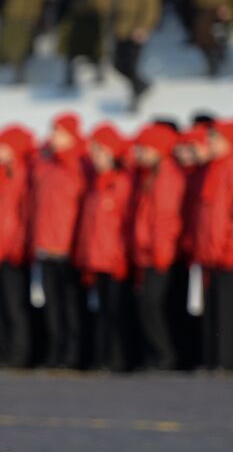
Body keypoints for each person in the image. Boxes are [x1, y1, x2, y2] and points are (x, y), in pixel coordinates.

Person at [191, 122, 233, 370]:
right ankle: (213, 357)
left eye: (215, 139)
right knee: (212, 306)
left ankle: (229, 359)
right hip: (209, 250)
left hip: (227, 250)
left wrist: (232, 246)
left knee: (228, 309)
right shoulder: (211, 169)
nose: (210, 144)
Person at [75, 125, 134, 371]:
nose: (96, 156)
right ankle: (104, 357)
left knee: (116, 312)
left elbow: (126, 225)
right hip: (97, 260)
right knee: (102, 312)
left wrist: (122, 258)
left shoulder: (121, 184)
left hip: (114, 261)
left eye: (100, 150)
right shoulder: (95, 185)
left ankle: (119, 358)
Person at [32, 115, 87, 369]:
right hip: (46, 246)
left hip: (67, 248)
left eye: (59, 132)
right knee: (52, 306)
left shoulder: (78, 165)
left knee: (70, 306)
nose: (53, 137)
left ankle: (74, 353)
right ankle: (55, 351)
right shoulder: (47, 165)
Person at [132, 124, 185, 369]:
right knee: (148, 304)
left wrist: (160, 252)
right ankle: (158, 354)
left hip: (159, 253)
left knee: (152, 304)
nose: (139, 154)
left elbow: (165, 218)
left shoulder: (167, 177)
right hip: (149, 252)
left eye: (144, 149)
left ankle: (165, 354)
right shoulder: (152, 175)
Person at [0, 127, 33, 367]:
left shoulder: (21, 175)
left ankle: (18, 353)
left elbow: (24, 215)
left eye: (2, 146)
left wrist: (18, 245)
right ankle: (4, 351)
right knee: (1, 305)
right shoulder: (0, 175)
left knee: (14, 306)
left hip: (13, 252)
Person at [111, 0, 161, 112]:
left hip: (135, 30)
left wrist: (144, 27)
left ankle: (136, 97)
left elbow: (151, 8)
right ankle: (142, 85)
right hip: (121, 30)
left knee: (131, 65)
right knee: (118, 64)